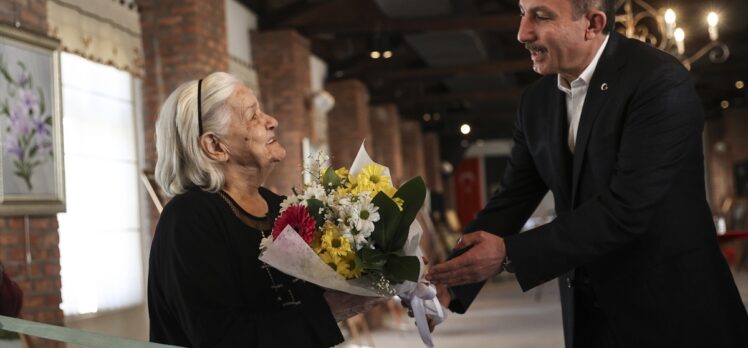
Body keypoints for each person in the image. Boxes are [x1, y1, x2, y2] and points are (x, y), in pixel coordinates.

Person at [426, 0, 748, 347]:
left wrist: (509, 253)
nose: (523, 33)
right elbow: (512, 199)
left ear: (593, 23)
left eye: (541, 16)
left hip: (674, 312)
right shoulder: (536, 101)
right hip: (588, 317)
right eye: (523, 12)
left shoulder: (659, 81)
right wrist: (449, 281)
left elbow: (627, 208)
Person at [148, 72, 380, 347]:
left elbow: (303, 294)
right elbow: (219, 338)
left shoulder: (276, 205)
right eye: (252, 115)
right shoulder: (188, 219)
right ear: (214, 146)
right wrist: (329, 311)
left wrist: (379, 268)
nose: (272, 121)